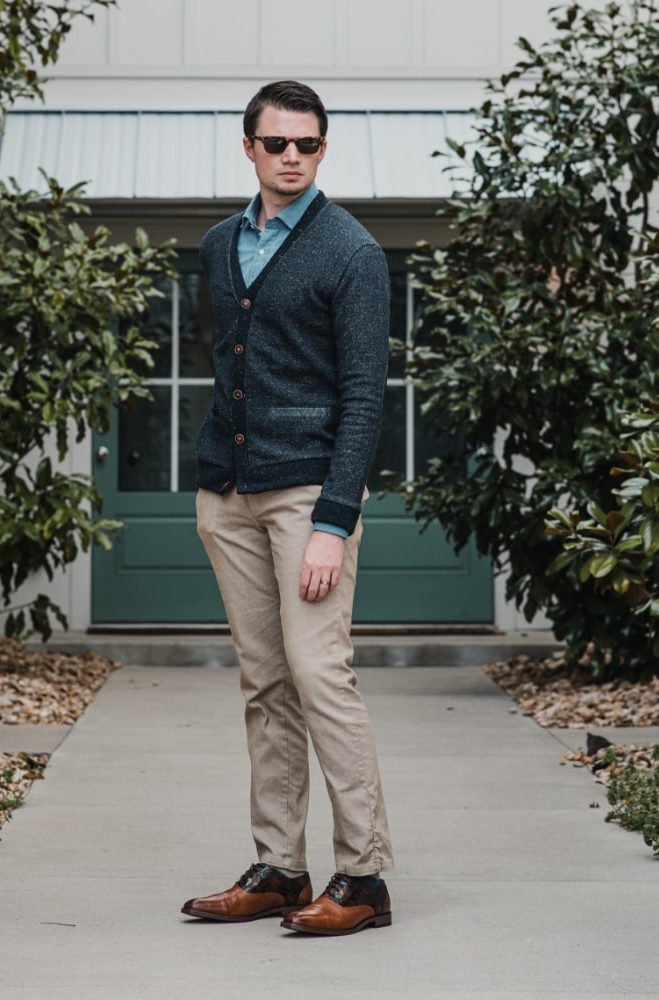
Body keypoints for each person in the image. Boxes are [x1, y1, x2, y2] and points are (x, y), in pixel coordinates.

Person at [181, 80, 393, 936]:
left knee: (319, 677)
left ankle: (364, 876)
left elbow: (364, 398)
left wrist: (333, 522)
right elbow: (228, 360)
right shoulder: (219, 243)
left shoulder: (352, 252)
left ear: (321, 149)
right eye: (277, 144)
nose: (292, 157)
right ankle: (278, 864)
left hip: (308, 493)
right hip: (228, 492)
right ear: (249, 149)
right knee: (264, 682)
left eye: (307, 144)